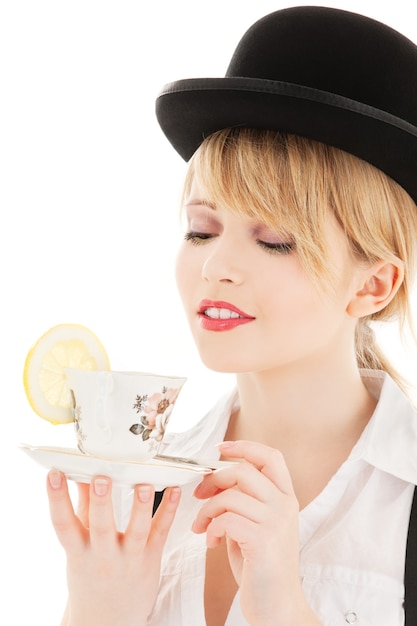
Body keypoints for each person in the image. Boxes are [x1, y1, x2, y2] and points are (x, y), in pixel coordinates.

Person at [46, 6, 417, 626]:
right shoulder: (147, 482)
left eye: (274, 240)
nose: (217, 266)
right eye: (200, 230)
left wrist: (283, 607)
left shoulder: (402, 495)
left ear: (373, 284)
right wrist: (97, 612)